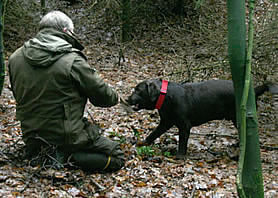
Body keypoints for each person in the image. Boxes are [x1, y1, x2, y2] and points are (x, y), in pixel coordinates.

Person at [8, 10, 125, 172]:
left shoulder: (15, 58)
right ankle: (64, 158)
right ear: (65, 31)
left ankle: (39, 152)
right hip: (66, 137)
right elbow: (104, 98)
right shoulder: (72, 59)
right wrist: (116, 95)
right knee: (117, 156)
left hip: (31, 136)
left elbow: (18, 95)